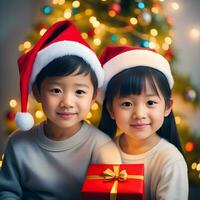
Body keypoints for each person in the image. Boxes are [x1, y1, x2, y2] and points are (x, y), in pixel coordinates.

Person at [0, 20, 121, 200]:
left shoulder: (101, 147)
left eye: (79, 92)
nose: (67, 102)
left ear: (93, 96)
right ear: (38, 92)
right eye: (56, 90)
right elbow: (7, 192)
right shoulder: (18, 143)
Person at [98, 46, 188, 200]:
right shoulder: (102, 151)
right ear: (111, 110)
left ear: (167, 107)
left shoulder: (170, 161)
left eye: (151, 102)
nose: (139, 114)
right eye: (127, 104)